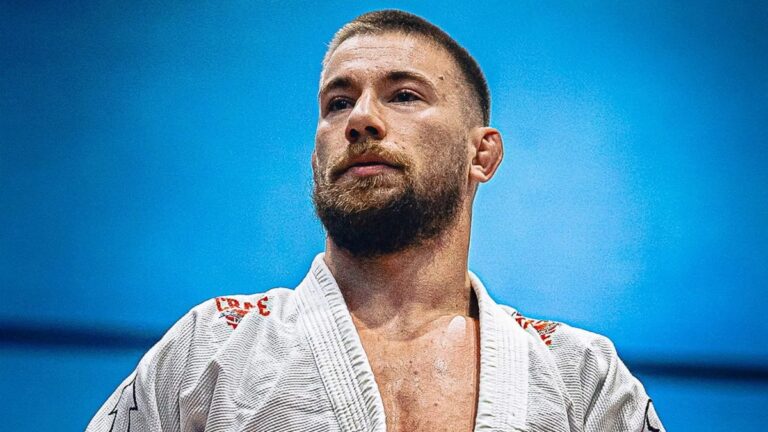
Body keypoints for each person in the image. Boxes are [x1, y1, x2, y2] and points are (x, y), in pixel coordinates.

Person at [87, 10, 664, 432]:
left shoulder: (580, 376)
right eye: (338, 103)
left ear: (482, 154)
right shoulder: (213, 346)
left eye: (404, 95)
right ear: (316, 155)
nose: (360, 119)